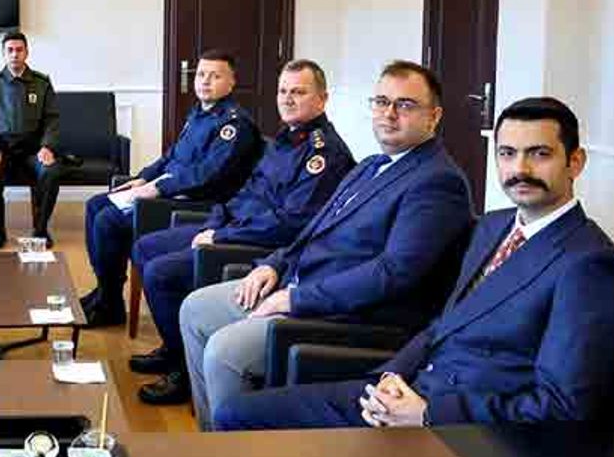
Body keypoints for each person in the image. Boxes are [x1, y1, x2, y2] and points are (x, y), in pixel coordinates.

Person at [216, 97, 614, 430]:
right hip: (406, 390)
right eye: (507, 153)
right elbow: (443, 325)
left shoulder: (589, 264)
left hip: (465, 431)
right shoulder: (493, 226)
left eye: (539, 154)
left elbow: (563, 407)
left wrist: (429, 414)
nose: (520, 169)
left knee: (241, 418)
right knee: (236, 412)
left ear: (575, 162)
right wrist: (389, 379)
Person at [178, 60, 474, 430]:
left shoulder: (437, 181)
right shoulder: (371, 165)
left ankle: (234, 448)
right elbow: (314, 228)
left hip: (345, 314)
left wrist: (295, 299)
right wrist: (275, 264)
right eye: (382, 102)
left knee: (225, 353)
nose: (389, 113)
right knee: (196, 309)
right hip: (298, 284)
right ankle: (212, 438)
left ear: (434, 116)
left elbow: (393, 273)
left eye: (405, 104)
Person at [129, 60, 355, 404]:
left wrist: (221, 237)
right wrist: (215, 222)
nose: (288, 99)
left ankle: (184, 371)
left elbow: (290, 224)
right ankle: (175, 348)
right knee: (146, 247)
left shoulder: (324, 154)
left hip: (255, 246)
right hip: (232, 226)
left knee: (161, 273)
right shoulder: (283, 140)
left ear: (322, 100)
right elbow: (247, 191)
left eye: (298, 92)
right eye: (283, 91)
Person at [79, 51, 262, 328]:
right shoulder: (199, 113)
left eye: (215, 76)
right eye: (201, 74)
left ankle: (110, 304)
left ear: (232, 82)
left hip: (195, 202)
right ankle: (106, 290)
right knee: (96, 204)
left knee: (109, 220)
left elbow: (207, 174)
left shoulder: (235, 124)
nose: (205, 81)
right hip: (171, 191)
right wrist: (143, 178)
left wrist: (159, 187)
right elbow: (171, 156)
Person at [0, 30, 61, 249]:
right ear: (3, 54)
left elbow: (52, 119)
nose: (15, 54)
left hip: (33, 151)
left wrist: (47, 147)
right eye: (10, 50)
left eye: (19, 50)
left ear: (26, 53)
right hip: (2, 151)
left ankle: (40, 230)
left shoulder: (42, 83)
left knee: (51, 172)